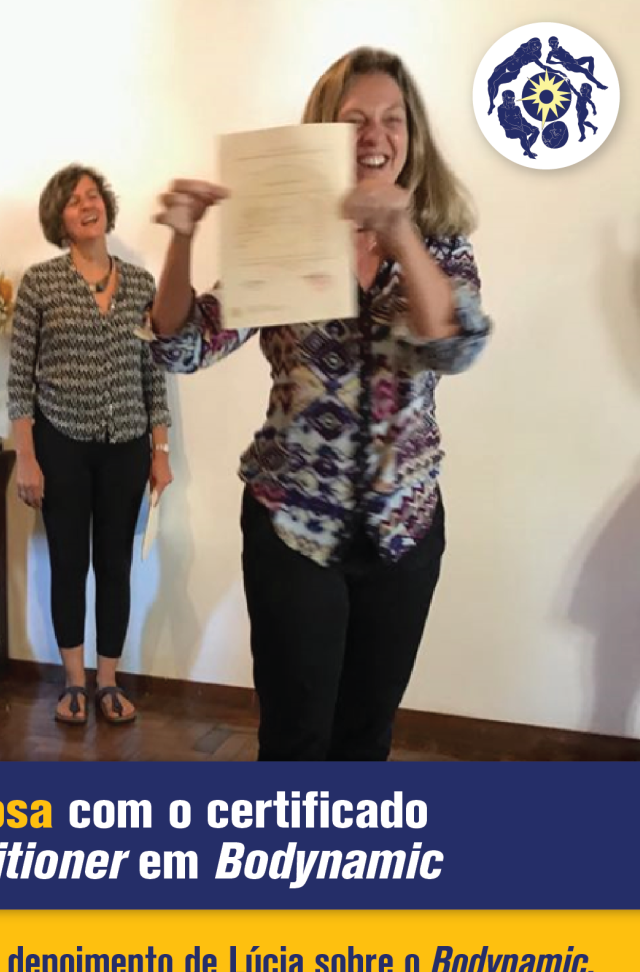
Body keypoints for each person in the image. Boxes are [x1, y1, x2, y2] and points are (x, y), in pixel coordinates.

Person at [147, 48, 491, 760]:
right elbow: (184, 345)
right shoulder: (287, 240)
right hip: (292, 522)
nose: (376, 136)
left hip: (403, 529)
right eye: (356, 119)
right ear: (325, 131)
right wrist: (181, 237)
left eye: (393, 120)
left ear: (412, 136)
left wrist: (399, 232)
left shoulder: (439, 245)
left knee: (366, 736)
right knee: (296, 737)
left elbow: (452, 345)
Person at [7, 164, 173, 725]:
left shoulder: (141, 285)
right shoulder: (40, 283)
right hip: (62, 444)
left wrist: (161, 452)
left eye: (94, 195)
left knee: (115, 565)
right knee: (69, 563)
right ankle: (73, 683)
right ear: (59, 218)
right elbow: (19, 380)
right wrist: (26, 457)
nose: (88, 204)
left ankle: (109, 682)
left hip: (126, 445)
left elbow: (154, 375)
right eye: (74, 199)